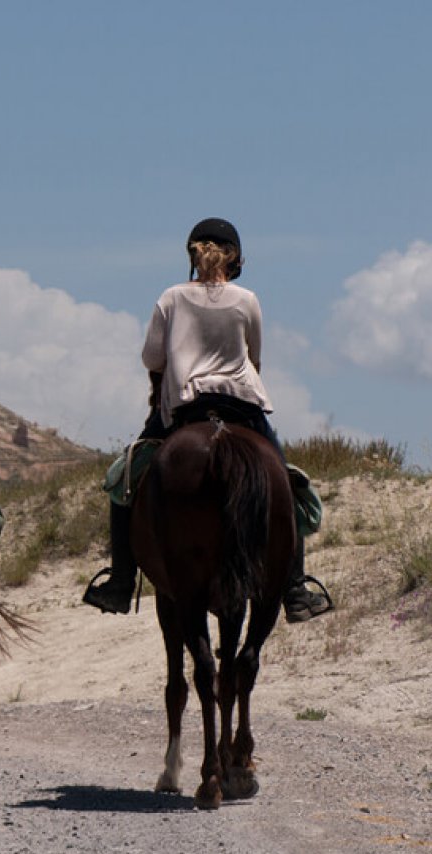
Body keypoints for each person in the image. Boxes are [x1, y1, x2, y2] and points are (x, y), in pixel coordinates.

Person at [83, 217, 332, 623]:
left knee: (125, 477)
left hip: (187, 408)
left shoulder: (171, 297)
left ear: (192, 255)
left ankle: (121, 581)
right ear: (235, 260)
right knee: (287, 484)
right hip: (243, 408)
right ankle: (294, 588)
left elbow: (151, 359)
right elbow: (254, 359)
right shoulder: (247, 299)